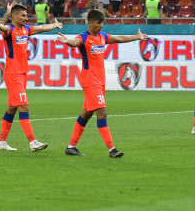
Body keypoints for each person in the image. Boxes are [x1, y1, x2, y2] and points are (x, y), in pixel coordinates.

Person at [58, 10, 148, 157]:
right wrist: (67, 41)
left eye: (102, 23)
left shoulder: (102, 37)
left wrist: (136, 37)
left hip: (100, 81)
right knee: (102, 112)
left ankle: (71, 147)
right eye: (99, 23)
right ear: (90, 23)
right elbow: (75, 42)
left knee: (86, 114)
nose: (102, 25)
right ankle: (112, 149)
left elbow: (119, 38)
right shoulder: (83, 38)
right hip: (89, 80)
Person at [0, 5, 63, 151]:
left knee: (12, 108)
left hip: (22, 73)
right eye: (23, 15)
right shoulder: (10, 30)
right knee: (24, 106)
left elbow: (41, 28)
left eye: (26, 15)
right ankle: (32, 142)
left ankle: (2, 142)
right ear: (14, 16)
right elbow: (5, 29)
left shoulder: (26, 30)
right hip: (13, 74)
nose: (26, 18)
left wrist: (54, 25)